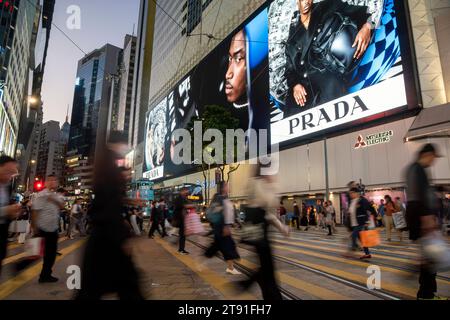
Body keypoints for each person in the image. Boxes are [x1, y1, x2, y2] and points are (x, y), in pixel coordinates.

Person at [76, 131, 143, 300]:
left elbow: (107, 199)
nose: (127, 148)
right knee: (128, 284)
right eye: (125, 144)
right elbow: (108, 206)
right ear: (119, 143)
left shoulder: (105, 163)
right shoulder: (111, 168)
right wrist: (121, 238)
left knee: (92, 288)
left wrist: (127, 200)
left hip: (102, 236)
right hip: (109, 237)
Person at [284, 0, 381, 115]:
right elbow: (289, 70)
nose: (307, 2)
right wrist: (295, 85)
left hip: (329, 85)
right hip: (301, 97)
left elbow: (367, 14)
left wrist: (367, 27)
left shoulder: (327, 6)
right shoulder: (292, 33)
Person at [405, 143, 447, 300]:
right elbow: (417, 198)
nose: (434, 160)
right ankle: (426, 294)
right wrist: (427, 221)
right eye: (434, 157)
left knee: (429, 258)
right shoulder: (417, 170)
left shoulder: (417, 169)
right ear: (427, 154)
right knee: (430, 259)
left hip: (421, 220)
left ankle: (427, 293)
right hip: (422, 221)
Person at [31, 175, 65, 283]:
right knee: (35, 253)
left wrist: (53, 200)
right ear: (45, 183)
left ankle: (45, 275)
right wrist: (35, 229)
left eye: (55, 180)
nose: (52, 182)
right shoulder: (41, 195)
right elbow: (35, 212)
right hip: (42, 229)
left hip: (53, 229)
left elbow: (62, 206)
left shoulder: (57, 195)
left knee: (50, 255)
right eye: (49, 180)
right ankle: (19, 266)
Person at [205, 182, 241, 275]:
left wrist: (234, 223)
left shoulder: (224, 197)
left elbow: (230, 212)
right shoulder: (220, 198)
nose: (228, 187)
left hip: (222, 227)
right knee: (228, 246)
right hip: (221, 227)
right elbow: (222, 213)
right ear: (222, 188)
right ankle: (230, 268)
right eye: (227, 185)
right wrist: (226, 226)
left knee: (218, 247)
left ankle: (230, 267)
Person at [0, 156, 21, 276]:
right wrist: (6, 210)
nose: (10, 176)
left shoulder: (8, 187)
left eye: (12, 174)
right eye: (8, 172)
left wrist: (13, 212)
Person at [346, 188, 374, 260]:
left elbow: (368, 210)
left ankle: (351, 251)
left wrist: (367, 221)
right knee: (362, 239)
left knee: (353, 236)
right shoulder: (352, 201)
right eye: (350, 193)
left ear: (357, 193)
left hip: (361, 222)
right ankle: (367, 254)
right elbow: (351, 211)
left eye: (352, 193)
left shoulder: (362, 200)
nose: (351, 194)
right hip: (354, 223)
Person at [173, 187, 194, 255]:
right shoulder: (179, 198)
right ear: (182, 191)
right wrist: (189, 206)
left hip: (182, 218)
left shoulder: (183, 198)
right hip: (180, 219)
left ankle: (181, 248)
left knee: (183, 234)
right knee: (182, 234)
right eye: (185, 191)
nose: (187, 192)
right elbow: (181, 206)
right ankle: (181, 250)